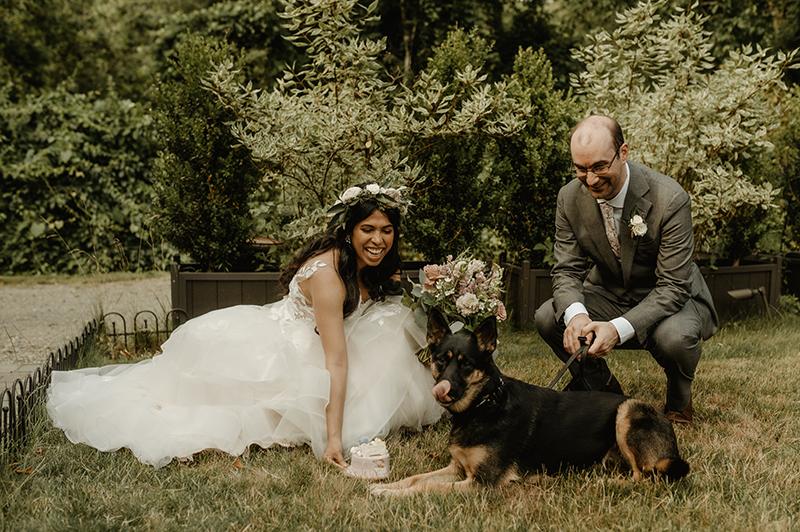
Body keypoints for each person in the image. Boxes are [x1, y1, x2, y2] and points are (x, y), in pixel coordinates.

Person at [47, 183, 443, 468]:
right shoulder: (329, 277)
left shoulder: (362, 264)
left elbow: (384, 299)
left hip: (312, 339)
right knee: (228, 409)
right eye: (368, 229)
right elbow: (336, 362)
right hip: (281, 350)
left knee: (394, 320)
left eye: (386, 230)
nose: (378, 239)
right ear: (348, 230)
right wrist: (334, 438)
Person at [534, 115, 718, 424]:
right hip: (609, 292)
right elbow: (566, 270)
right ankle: (603, 389)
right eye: (581, 169)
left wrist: (617, 329)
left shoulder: (670, 198)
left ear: (623, 152)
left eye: (599, 167)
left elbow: (673, 286)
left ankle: (679, 402)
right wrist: (577, 316)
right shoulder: (569, 197)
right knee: (547, 316)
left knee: (674, 338)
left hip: (670, 298)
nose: (591, 179)